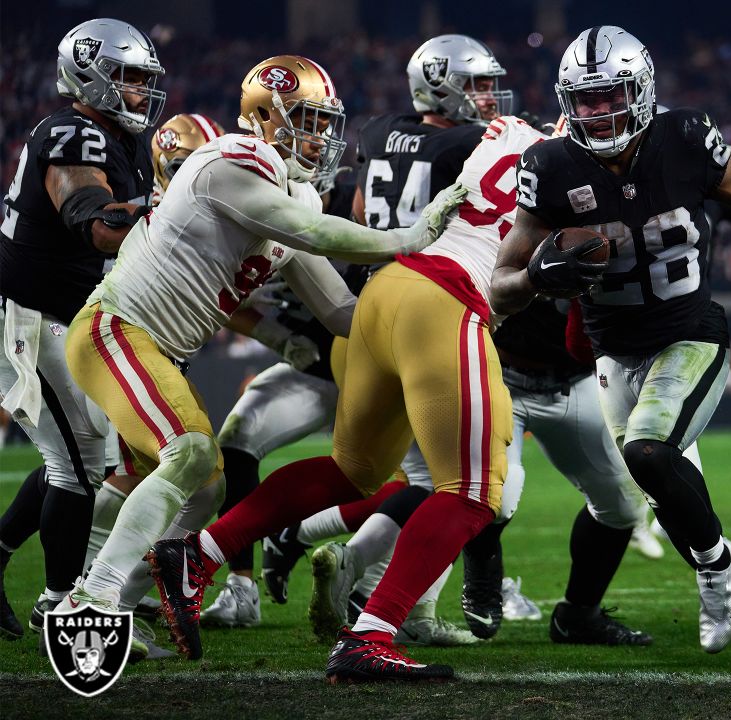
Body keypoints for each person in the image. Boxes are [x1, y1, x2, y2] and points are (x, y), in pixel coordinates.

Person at [53, 54, 456, 665]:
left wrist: (436, 315)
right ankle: (94, 601)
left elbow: (346, 314)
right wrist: (412, 238)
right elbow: (315, 234)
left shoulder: (288, 191)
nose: (322, 137)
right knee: (189, 453)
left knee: (202, 488)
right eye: (309, 121)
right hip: (116, 329)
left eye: (327, 122)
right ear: (264, 117)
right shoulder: (232, 162)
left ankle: (102, 598)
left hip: (157, 349)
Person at [155, 113, 541, 681]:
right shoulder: (574, 166)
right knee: (474, 492)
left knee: (351, 472)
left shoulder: (507, 130)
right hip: (445, 302)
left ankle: (200, 552)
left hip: (385, 286)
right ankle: (372, 633)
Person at [490, 25, 731, 671]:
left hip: (688, 334)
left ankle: (715, 577)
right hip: (612, 355)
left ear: (641, 90)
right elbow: (500, 290)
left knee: (647, 452)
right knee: (671, 495)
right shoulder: (550, 167)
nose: (596, 111)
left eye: (609, 95)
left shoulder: (683, 137)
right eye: (583, 99)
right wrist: (538, 277)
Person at [0, 18, 163, 638]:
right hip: (27, 312)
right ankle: (66, 605)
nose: (140, 90)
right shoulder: (77, 132)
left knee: (83, 446)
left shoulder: (111, 136)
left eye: (144, 79)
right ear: (90, 74)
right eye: (127, 77)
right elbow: (94, 220)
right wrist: (159, 221)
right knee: (77, 461)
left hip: (62, 312)